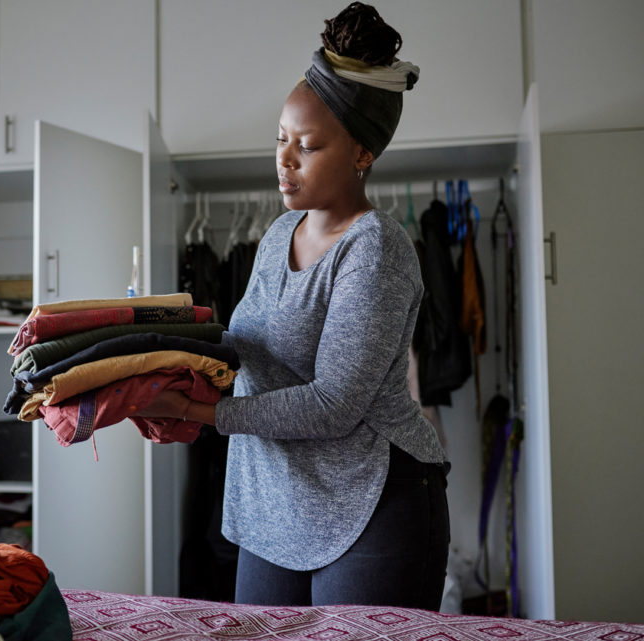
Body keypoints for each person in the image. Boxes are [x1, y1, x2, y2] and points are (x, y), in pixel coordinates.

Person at [138, 2, 450, 609]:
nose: (283, 160)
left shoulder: (375, 247)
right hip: (275, 499)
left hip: (371, 494)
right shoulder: (280, 235)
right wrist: (149, 364)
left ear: (362, 153)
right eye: (280, 139)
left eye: (306, 146)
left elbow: (334, 405)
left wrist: (204, 416)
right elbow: (248, 349)